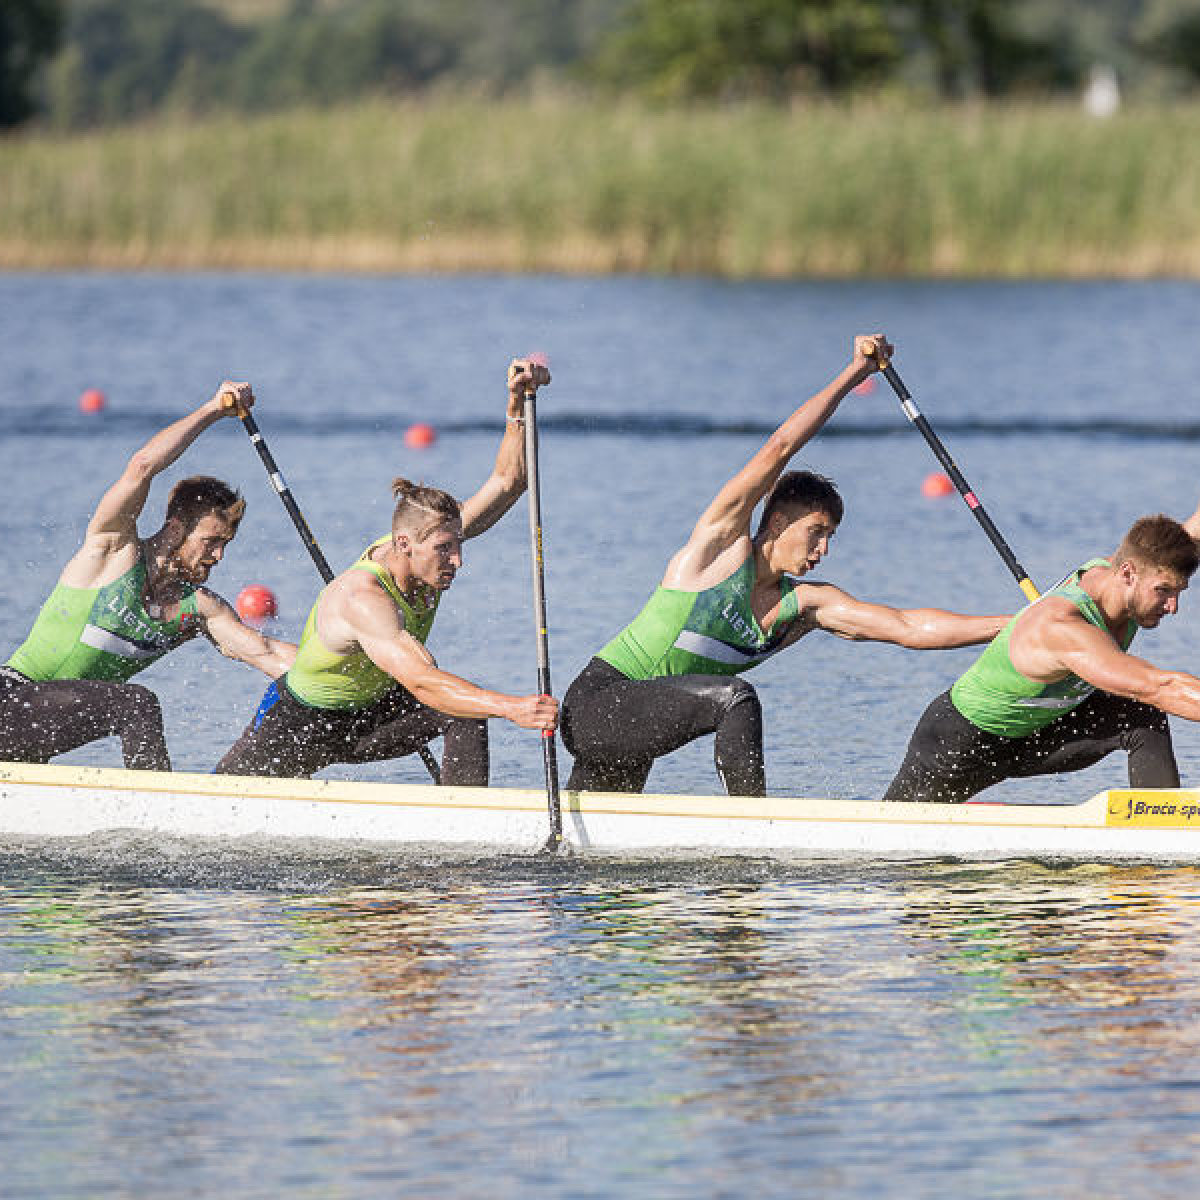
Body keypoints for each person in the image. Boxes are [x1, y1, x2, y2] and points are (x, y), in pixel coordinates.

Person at [560, 334, 1008, 797]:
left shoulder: (805, 605)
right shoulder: (720, 549)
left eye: (830, 537)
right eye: (816, 532)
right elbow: (780, 446)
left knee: (592, 845)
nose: (823, 549)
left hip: (639, 728)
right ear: (777, 521)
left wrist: (1010, 626)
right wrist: (856, 372)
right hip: (597, 704)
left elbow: (906, 626)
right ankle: (753, 830)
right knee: (735, 698)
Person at [214, 358, 558, 782]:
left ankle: (462, 830)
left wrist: (518, 404)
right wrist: (514, 707)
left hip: (372, 714)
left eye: (457, 545)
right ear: (402, 545)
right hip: (303, 724)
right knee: (223, 793)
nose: (457, 561)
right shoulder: (363, 599)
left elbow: (510, 482)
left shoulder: (425, 541)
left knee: (465, 715)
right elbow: (421, 681)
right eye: (444, 550)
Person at [0, 383, 296, 771]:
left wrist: (368, 663)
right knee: (136, 703)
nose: (218, 556)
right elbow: (142, 466)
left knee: (130, 703)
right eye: (210, 542)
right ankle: (159, 816)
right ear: (175, 528)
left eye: (226, 544)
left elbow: (269, 654)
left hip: (38, 734)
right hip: (10, 699)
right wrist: (212, 409)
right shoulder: (112, 551)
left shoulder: (199, 607)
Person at [883, 511, 1200, 803]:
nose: (1173, 607)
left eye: (1178, 592)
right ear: (1127, 573)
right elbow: (1160, 687)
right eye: (1164, 591)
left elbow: (1187, 536)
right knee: (891, 836)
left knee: (1140, 715)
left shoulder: (1133, 572)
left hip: (1037, 735)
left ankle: (1161, 823)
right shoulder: (1061, 625)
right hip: (958, 744)